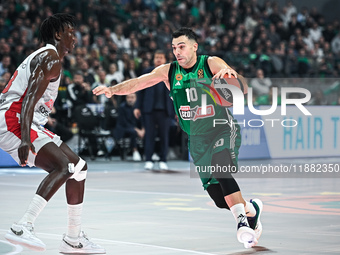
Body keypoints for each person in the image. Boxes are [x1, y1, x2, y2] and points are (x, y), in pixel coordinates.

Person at [93, 27, 263, 249]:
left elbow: (240, 84)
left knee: (221, 167)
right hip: (197, 139)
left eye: (181, 46)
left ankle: (242, 224)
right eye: (174, 48)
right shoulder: (169, 71)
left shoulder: (210, 63)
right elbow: (140, 81)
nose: (177, 52)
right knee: (220, 199)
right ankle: (251, 209)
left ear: (194, 46)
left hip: (221, 128)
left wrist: (230, 76)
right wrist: (113, 90)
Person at [0, 13, 105, 253]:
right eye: (70, 33)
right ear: (58, 34)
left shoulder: (48, 57)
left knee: (79, 167)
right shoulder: (50, 57)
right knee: (62, 167)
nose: (75, 38)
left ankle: (73, 238)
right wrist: (25, 139)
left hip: (25, 119)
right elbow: (27, 100)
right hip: (13, 119)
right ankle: (22, 226)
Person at [134, 50, 174, 170]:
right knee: (149, 136)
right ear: (153, 59)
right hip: (149, 109)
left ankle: (163, 159)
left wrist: (177, 110)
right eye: (156, 57)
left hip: (165, 109)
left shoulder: (171, 72)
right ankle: (149, 160)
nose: (158, 59)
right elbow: (140, 90)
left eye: (161, 57)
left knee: (164, 136)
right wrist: (137, 106)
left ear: (165, 59)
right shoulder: (147, 71)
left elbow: (176, 92)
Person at [114, 93, 144, 161]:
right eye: (128, 97)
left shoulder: (139, 108)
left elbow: (142, 120)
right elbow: (124, 122)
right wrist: (137, 130)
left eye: (132, 97)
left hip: (136, 127)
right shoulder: (122, 107)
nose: (130, 99)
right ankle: (135, 151)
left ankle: (151, 151)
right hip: (124, 128)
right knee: (133, 132)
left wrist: (143, 129)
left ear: (136, 98)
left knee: (148, 131)